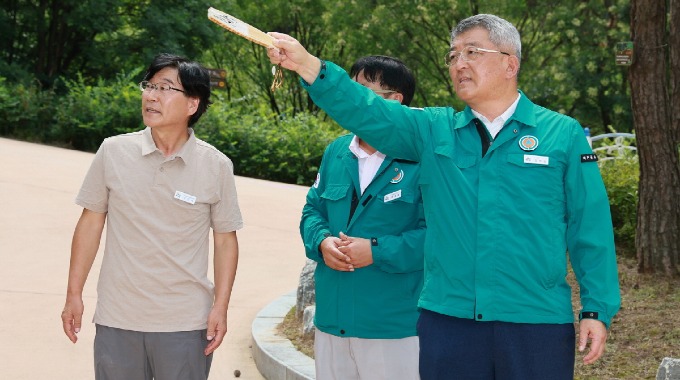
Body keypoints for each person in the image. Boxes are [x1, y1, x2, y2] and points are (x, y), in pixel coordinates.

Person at [267, 13, 621, 380]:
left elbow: (589, 228)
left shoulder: (561, 135)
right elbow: (368, 110)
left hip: (534, 320)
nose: (459, 64)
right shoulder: (435, 131)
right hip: (449, 323)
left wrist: (596, 309)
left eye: (472, 52)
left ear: (510, 63)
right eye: (453, 56)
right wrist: (308, 65)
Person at [60, 53, 243, 380]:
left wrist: (221, 306)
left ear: (192, 104)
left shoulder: (215, 166)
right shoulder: (113, 152)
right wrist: (74, 293)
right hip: (117, 318)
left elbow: (226, 240)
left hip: (185, 323)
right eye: (149, 86)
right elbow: (90, 223)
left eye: (166, 88)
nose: (151, 96)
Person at [300, 55, 424, 380]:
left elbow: (439, 236)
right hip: (332, 320)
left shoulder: (421, 157)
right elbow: (312, 211)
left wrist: (376, 251)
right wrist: (322, 241)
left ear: (394, 100)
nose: (349, 101)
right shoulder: (336, 152)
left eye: (361, 92)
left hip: (393, 326)